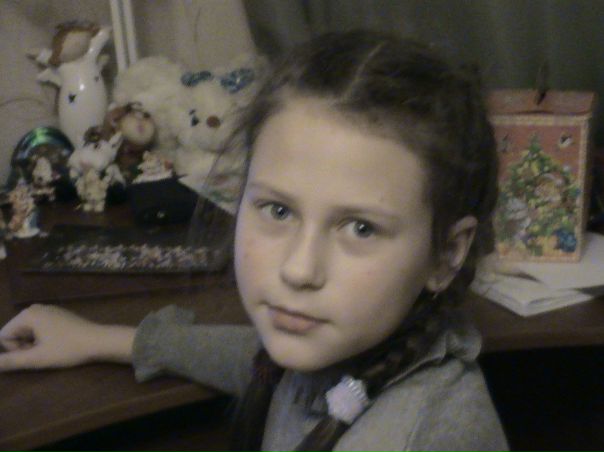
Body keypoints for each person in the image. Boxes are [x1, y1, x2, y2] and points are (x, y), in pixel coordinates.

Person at [0, 30, 508, 452]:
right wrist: (98, 339)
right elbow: (256, 360)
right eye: (279, 210)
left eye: (360, 228)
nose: (299, 269)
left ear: (446, 255)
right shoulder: (343, 351)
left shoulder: (429, 436)